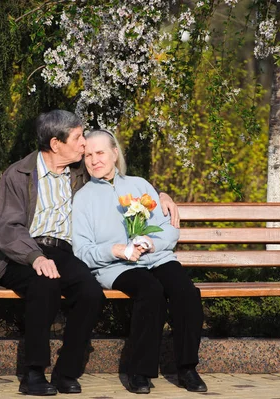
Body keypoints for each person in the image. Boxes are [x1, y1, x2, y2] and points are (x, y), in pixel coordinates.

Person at [0, 110, 179, 396]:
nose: (84, 144)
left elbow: (119, 179)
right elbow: (9, 229)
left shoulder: (78, 170)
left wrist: (161, 194)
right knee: (45, 285)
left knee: (90, 293)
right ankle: (34, 373)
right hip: (21, 253)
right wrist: (36, 258)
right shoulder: (19, 174)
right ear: (55, 144)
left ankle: (66, 372)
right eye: (78, 137)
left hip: (62, 251)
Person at [72, 129, 207, 394]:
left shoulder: (140, 185)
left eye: (100, 153)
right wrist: (117, 250)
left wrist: (151, 242)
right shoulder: (84, 198)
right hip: (116, 266)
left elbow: (169, 229)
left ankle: (187, 368)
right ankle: (140, 372)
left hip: (156, 258)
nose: (94, 160)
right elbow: (82, 251)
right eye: (88, 155)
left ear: (114, 153)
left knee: (186, 292)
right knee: (151, 291)